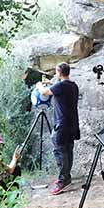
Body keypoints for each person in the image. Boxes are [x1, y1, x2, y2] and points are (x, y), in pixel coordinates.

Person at [36, 62, 80, 195]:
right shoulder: (73, 85)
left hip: (62, 124)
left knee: (60, 151)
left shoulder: (61, 86)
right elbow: (58, 88)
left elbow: (44, 92)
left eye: (56, 71)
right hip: (72, 123)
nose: (55, 74)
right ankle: (67, 177)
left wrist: (39, 85)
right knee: (68, 150)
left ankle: (63, 180)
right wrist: (51, 83)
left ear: (60, 72)